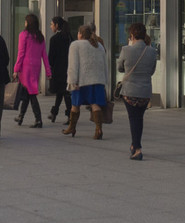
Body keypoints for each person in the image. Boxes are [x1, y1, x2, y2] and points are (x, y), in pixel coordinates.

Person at [116, 23, 158, 160]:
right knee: (138, 118)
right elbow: (151, 71)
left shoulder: (126, 50)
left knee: (134, 118)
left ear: (132, 35)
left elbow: (120, 68)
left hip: (130, 91)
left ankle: (137, 148)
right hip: (145, 92)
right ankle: (134, 145)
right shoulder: (152, 51)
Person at [64, 24, 109, 139]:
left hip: (81, 80)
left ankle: (72, 127)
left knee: (75, 105)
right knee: (95, 104)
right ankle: (98, 129)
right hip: (97, 80)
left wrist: (72, 81)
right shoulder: (98, 46)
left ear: (80, 34)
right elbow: (104, 64)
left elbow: (73, 65)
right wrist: (105, 80)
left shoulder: (75, 45)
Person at [13, 13, 52, 128]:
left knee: (31, 93)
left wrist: (16, 69)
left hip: (26, 67)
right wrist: (48, 71)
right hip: (36, 66)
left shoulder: (24, 35)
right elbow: (44, 55)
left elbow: (21, 53)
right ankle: (21, 117)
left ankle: (38, 119)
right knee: (28, 92)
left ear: (28, 23)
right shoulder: (40, 37)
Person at [47, 16, 71, 123]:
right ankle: (54, 112)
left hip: (58, 70)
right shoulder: (69, 37)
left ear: (57, 25)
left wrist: (49, 68)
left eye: (52, 24)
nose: (51, 26)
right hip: (69, 68)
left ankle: (70, 115)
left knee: (64, 92)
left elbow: (51, 57)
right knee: (61, 92)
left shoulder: (54, 39)